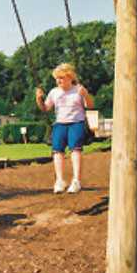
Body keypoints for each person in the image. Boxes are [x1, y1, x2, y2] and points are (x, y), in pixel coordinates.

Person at [35, 63, 94, 194]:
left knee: (75, 150)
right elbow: (45, 108)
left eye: (61, 77)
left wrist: (85, 95)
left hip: (76, 123)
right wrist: (38, 99)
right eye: (57, 78)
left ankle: (76, 181)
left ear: (70, 77)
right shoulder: (54, 92)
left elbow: (90, 105)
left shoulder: (78, 89)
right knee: (57, 151)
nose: (58, 80)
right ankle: (60, 180)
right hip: (60, 123)